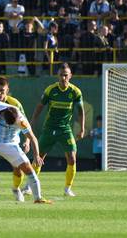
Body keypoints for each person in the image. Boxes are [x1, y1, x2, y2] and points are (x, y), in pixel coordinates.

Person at [28, 63, 85, 197]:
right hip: (49, 128)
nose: (63, 78)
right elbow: (39, 107)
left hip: (65, 129)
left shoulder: (75, 92)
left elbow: (81, 112)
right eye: (61, 75)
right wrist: (32, 123)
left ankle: (67, 189)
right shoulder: (50, 90)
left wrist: (82, 128)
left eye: (66, 75)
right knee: (39, 157)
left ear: (70, 76)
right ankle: (30, 186)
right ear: (57, 76)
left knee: (72, 158)